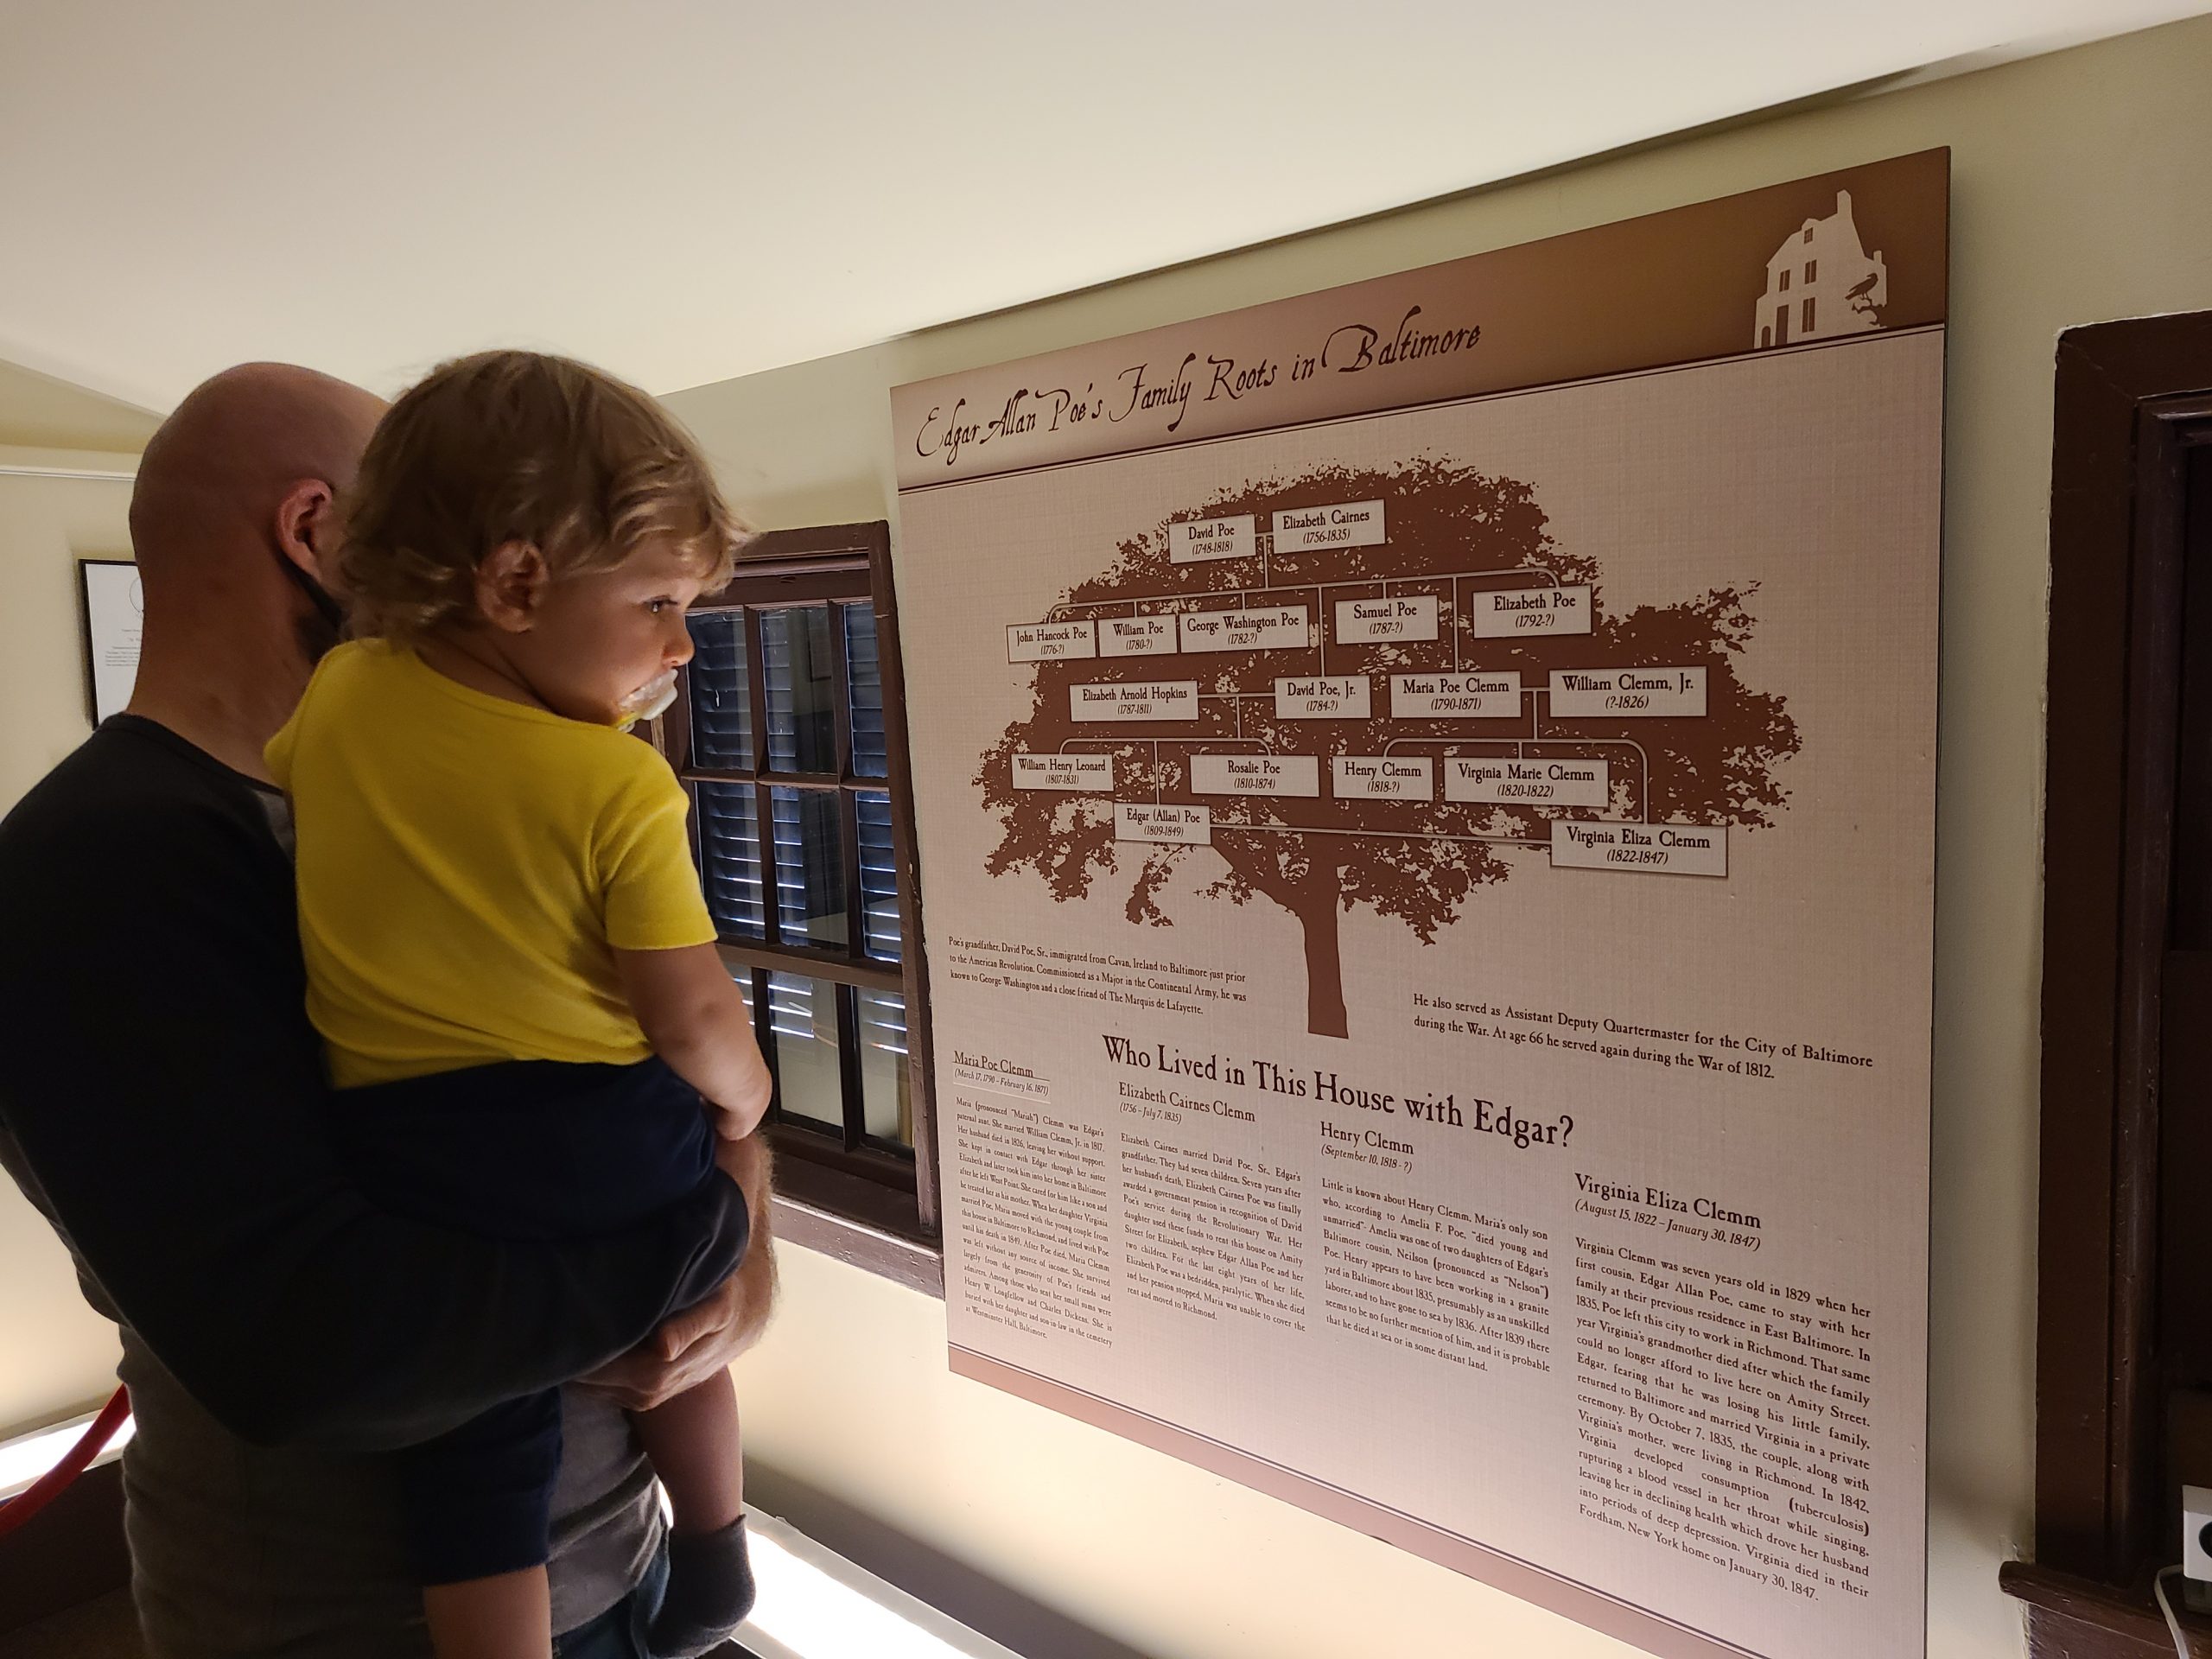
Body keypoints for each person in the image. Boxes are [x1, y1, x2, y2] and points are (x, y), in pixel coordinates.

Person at [0, 363, 765, 1658]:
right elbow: (316, 1346)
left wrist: (733, 1250)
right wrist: (701, 1236)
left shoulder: (446, 801)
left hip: (609, 1558)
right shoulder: (100, 864)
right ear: (319, 536)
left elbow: (651, 1069)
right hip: (353, 1623)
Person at [264, 350, 772, 1659]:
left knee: (474, 1434)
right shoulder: (614, 786)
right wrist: (746, 1100)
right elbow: (688, 1015)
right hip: (591, 1128)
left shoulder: (336, 698)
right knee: (692, 1302)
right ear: (515, 582)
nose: (679, 643)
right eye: (658, 600)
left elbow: (307, 788)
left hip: (409, 1149)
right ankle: (714, 1546)